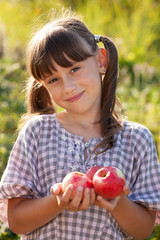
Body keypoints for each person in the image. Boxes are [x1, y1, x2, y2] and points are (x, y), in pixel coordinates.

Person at [0, 9, 160, 240]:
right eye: (53, 79)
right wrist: (59, 201)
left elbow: (144, 230)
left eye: (74, 69)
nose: (68, 87)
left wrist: (117, 202)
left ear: (101, 60)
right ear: (44, 85)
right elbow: (16, 221)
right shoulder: (37, 133)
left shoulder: (137, 139)